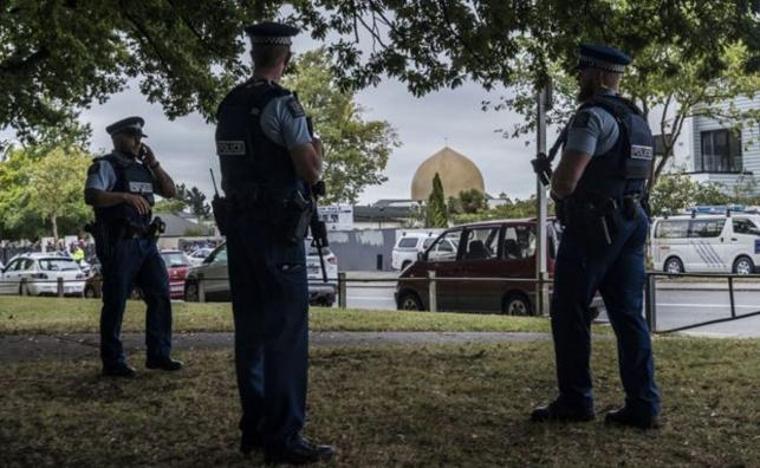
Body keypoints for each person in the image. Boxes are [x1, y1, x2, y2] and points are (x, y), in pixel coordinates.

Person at [214, 22, 335, 464]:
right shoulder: (282, 105)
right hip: (276, 232)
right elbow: (310, 170)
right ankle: (284, 434)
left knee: (251, 330)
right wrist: (316, 146)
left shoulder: (229, 104)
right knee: (285, 331)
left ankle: (255, 427)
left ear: (253, 56)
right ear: (285, 58)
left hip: (240, 230)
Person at [531, 44, 661, 429]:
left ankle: (575, 399)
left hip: (594, 227)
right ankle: (643, 404)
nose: (578, 79)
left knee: (569, 309)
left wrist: (556, 186)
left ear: (599, 76)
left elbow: (567, 181)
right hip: (632, 219)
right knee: (627, 315)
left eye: (583, 72)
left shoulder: (592, 118)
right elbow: (643, 178)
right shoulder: (636, 119)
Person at [84, 117, 182, 378]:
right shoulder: (106, 166)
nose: (137, 142)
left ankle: (159, 354)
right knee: (116, 302)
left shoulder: (144, 169)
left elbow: (170, 191)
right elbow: (91, 195)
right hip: (120, 243)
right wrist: (124, 197)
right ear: (117, 138)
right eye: (132, 136)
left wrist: (155, 164)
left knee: (160, 295)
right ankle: (113, 361)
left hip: (146, 244)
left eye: (139, 137)